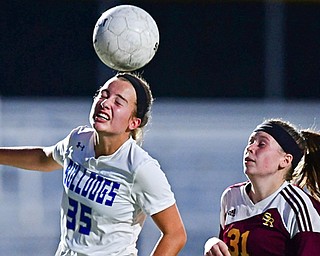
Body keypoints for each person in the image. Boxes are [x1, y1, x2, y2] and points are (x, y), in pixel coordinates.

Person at [0, 72, 187, 256]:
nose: (105, 103)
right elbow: (44, 158)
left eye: (118, 102)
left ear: (133, 122)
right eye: (103, 94)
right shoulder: (78, 140)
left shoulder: (140, 167)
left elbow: (175, 234)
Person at [204, 118, 320, 256]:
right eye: (251, 141)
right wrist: (211, 244)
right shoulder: (231, 196)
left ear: (285, 160)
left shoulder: (298, 207)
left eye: (262, 144)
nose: (250, 148)